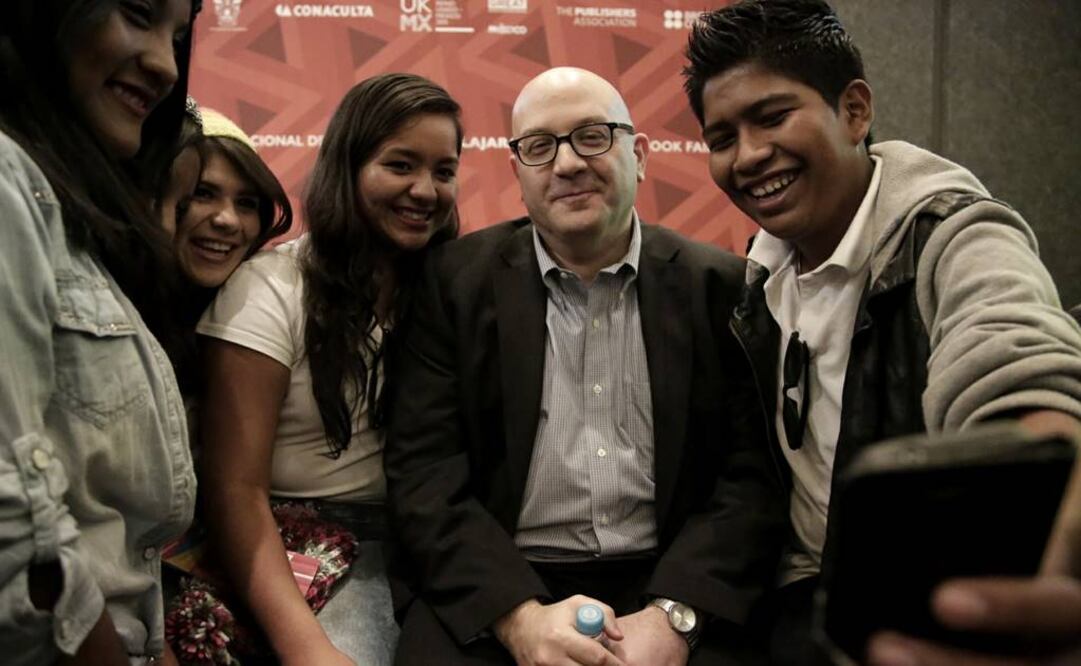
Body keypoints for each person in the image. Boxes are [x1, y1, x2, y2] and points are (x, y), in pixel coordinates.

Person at [681, 1, 1081, 664]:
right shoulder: (756, 276)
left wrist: (1045, 475)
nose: (748, 155)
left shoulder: (954, 236)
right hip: (794, 611)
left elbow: (1012, 353)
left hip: (920, 611)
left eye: (772, 116)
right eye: (721, 137)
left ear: (854, 110)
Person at [385, 66, 787, 666]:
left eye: (593, 136)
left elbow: (752, 476)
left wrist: (675, 617)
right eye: (540, 147)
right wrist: (519, 619)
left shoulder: (721, 287)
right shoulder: (451, 284)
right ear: (517, 174)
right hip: (499, 579)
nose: (568, 163)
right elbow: (426, 475)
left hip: (668, 580)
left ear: (641, 154)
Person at [195, 73, 463, 665]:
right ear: (348, 164)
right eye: (400, 165)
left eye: (444, 171)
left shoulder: (453, 287)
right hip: (298, 540)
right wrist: (305, 648)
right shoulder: (269, 286)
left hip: (428, 543)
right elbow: (235, 491)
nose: (425, 190)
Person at [0, 0, 198, 664]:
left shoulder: (69, 211)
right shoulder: (5, 179)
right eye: (139, 13)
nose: (166, 64)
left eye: (179, 36)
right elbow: (17, 526)